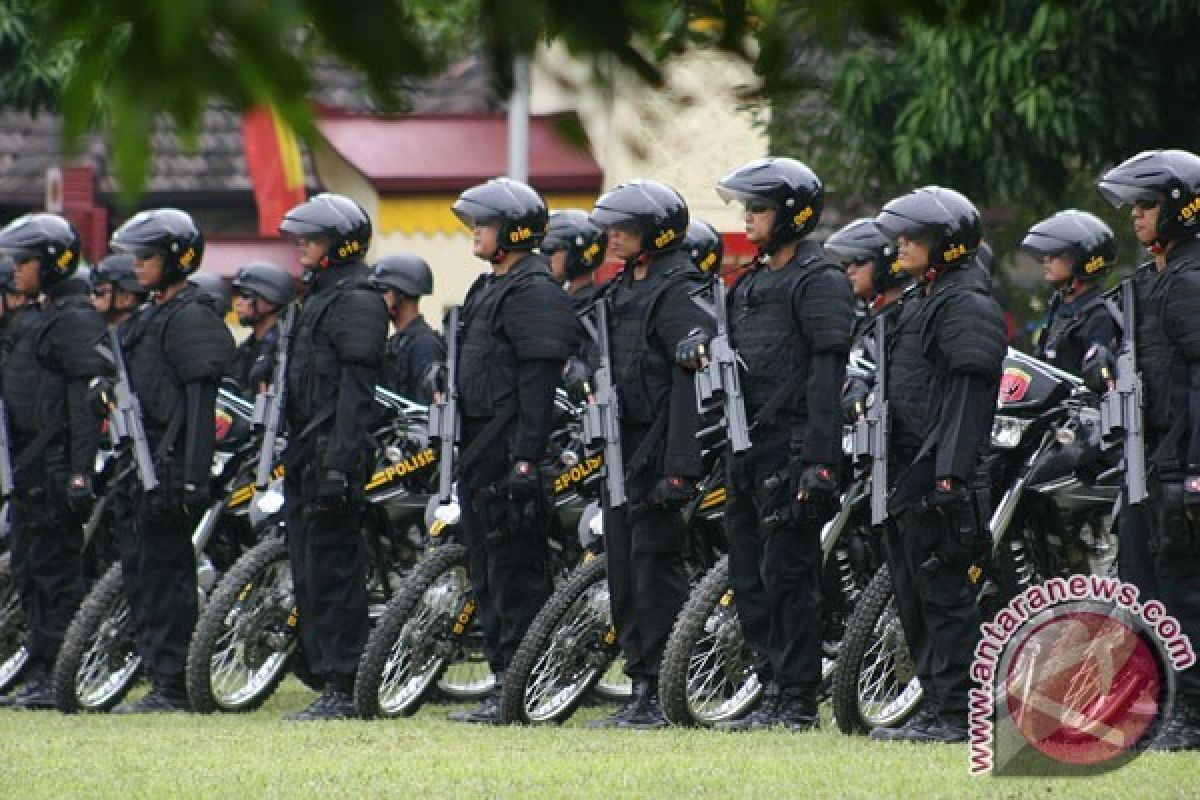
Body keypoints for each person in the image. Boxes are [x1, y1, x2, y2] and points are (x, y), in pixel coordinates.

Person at [692, 158, 854, 731]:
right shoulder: (750, 282)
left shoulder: (820, 280)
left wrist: (819, 462)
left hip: (791, 450)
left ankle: (797, 700)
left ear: (791, 215)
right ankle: (769, 687)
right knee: (749, 577)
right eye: (747, 208)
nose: (749, 218)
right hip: (745, 449)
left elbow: (826, 379)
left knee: (790, 580)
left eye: (758, 209)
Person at [871, 186, 1006, 743]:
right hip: (908, 471)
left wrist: (947, 475)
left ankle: (958, 714)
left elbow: (967, 401)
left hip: (941, 476)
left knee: (946, 597)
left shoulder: (966, 304)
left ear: (947, 245)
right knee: (915, 596)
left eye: (914, 237)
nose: (900, 245)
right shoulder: (923, 298)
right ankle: (938, 706)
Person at [444, 177, 579, 724]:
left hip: (510, 453)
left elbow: (537, 386)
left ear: (515, 232)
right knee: (487, 572)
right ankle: (504, 679)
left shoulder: (533, 290)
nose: (475, 231)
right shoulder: (487, 287)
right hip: (478, 451)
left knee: (518, 574)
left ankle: (527, 686)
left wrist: (525, 459)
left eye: (486, 223)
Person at [588, 179, 711, 729]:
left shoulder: (680, 289)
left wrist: (680, 470)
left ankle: (666, 686)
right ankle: (640, 682)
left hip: (662, 451)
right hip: (622, 449)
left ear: (656, 234)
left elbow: (693, 380)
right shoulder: (619, 289)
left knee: (655, 570)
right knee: (623, 571)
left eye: (625, 227)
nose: (613, 235)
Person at [105, 208, 235, 713]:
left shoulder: (192, 316)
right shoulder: (150, 315)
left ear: (176, 259)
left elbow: (202, 404)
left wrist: (190, 480)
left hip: (171, 467)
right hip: (139, 465)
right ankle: (159, 673)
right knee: (142, 575)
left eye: (148, 256)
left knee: (168, 578)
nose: (137, 266)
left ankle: (175, 685)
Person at [1095, 149, 1200, 750]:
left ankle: (1190, 712)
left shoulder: (1190, 282)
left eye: (1147, 205)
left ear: (1181, 208)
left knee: (1183, 590)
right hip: (1142, 459)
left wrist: (1192, 472)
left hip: (1178, 465)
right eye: (1132, 205)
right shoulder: (1147, 281)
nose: (1135, 216)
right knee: (1141, 587)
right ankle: (1155, 705)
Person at [275, 193, 387, 720]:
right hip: (305, 453)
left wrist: (341, 464)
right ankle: (327, 677)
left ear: (340, 245)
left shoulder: (358, 299)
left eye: (313, 238)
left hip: (332, 456)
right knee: (310, 570)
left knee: (336, 572)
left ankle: (346, 682)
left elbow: (355, 393)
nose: (303, 246)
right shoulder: (319, 296)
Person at [0, 215, 105, 709]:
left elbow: (85, 406)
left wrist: (80, 474)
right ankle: (40, 667)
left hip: (58, 471)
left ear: (52, 263)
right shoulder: (47, 316)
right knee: (29, 570)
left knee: (56, 577)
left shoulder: (75, 319)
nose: (15, 270)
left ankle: (58, 672)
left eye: (24, 261)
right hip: (31, 470)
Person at [1022, 210, 1119, 376]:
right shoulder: (1060, 307)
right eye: (1046, 253)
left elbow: (1097, 383)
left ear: (1083, 260)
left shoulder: (1100, 317)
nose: (1046, 259)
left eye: (1056, 253)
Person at [369, 254, 444, 404]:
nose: (376, 299)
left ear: (401, 295)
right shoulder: (396, 342)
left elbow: (424, 410)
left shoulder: (424, 345)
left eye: (382, 291)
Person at [228, 261, 296, 399]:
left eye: (246, 296)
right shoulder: (245, 348)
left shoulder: (284, 351)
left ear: (271, 300)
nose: (238, 303)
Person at [542, 210, 608, 313]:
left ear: (577, 254)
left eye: (549, 250)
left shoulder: (590, 308)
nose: (542, 257)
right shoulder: (562, 301)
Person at [92, 254, 149, 327]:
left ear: (127, 298)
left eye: (100, 291)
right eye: (94, 290)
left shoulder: (146, 334)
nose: (92, 297)